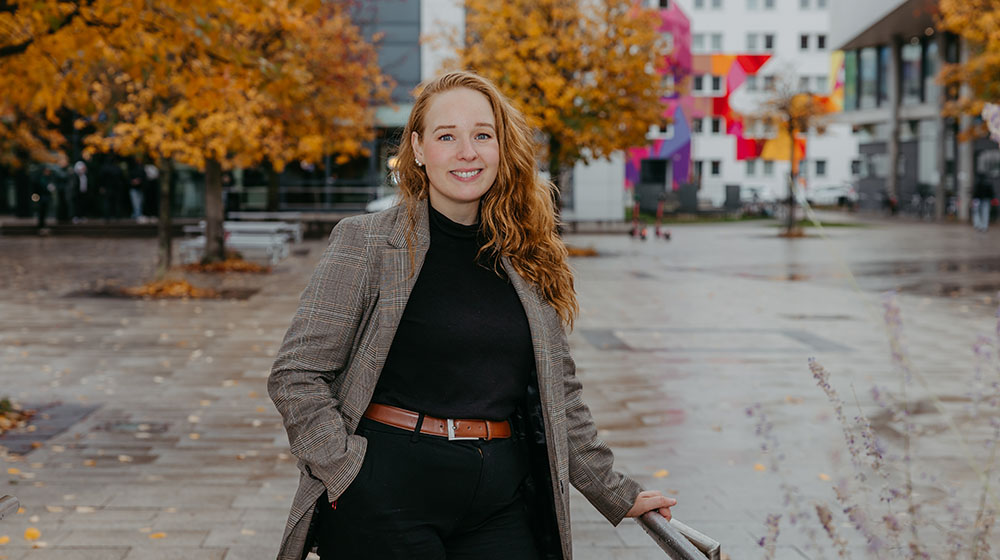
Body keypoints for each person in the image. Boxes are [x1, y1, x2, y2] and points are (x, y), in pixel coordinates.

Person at [268, 71, 675, 560]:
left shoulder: (528, 254)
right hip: (386, 493)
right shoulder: (369, 242)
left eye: (483, 135)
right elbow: (297, 375)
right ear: (418, 149)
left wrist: (615, 492)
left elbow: (559, 395)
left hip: (499, 499)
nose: (468, 152)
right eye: (447, 136)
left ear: (502, 147)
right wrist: (345, 472)